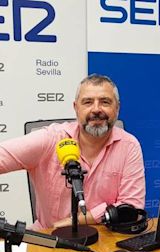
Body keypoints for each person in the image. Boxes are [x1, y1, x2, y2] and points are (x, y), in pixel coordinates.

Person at [0, 74, 145, 230]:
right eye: (88, 102)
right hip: (50, 237)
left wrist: (76, 220)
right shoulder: (51, 139)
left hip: (105, 238)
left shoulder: (129, 146)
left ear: (117, 108)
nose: (96, 109)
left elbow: (131, 206)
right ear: (76, 108)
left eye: (105, 102)